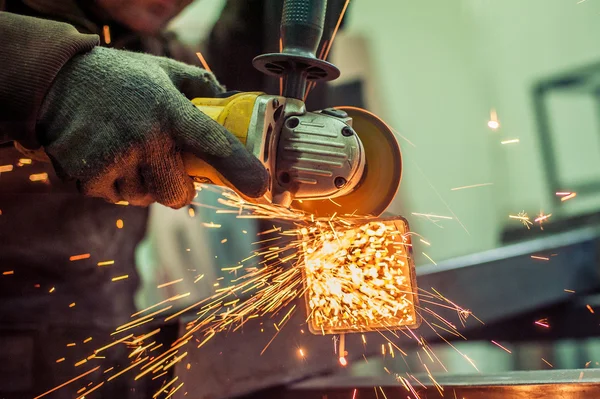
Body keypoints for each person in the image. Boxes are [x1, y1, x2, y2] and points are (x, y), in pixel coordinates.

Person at [0, 1, 268, 397]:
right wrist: (44, 72)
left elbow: (229, 94)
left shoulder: (148, 46)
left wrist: (259, 19)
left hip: (107, 358)